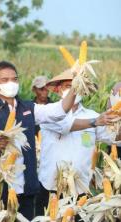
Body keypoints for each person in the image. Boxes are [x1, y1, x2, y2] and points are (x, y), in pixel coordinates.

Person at [0, 61, 77, 220]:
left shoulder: (29, 108)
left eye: (14, 79)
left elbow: (59, 111)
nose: (11, 83)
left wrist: (76, 85)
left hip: (24, 190)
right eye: (5, 80)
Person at [36, 70, 119, 218]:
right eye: (69, 86)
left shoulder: (92, 115)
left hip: (80, 190)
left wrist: (117, 114)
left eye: (77, 86)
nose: (74, 90)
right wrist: (95, 122)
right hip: (51, 189)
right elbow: (66, 125)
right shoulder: (48, 113)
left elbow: (114, 138)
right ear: (57, 89)